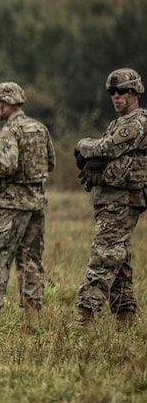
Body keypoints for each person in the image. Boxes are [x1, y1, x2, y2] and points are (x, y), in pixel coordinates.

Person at [74, 68, 147, 326]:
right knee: (120, 261)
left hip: (123, 201)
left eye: (123, 92)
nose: (116, 97)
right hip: (110, 199)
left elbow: (108, 146)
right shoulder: (117, 123)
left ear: (136, 92)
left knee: (104, 255)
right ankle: (126, 317)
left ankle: (84, 317)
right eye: (112, 93)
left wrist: (84, 145)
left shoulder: (137, 123)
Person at [0, 82, 55, 313]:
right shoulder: (40, 128)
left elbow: (7, 165)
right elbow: (51, 162)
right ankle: (33, 311)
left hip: (11, 203)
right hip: (36, 201)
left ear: (8, 103)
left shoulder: (9, 131)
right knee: (31, 259)